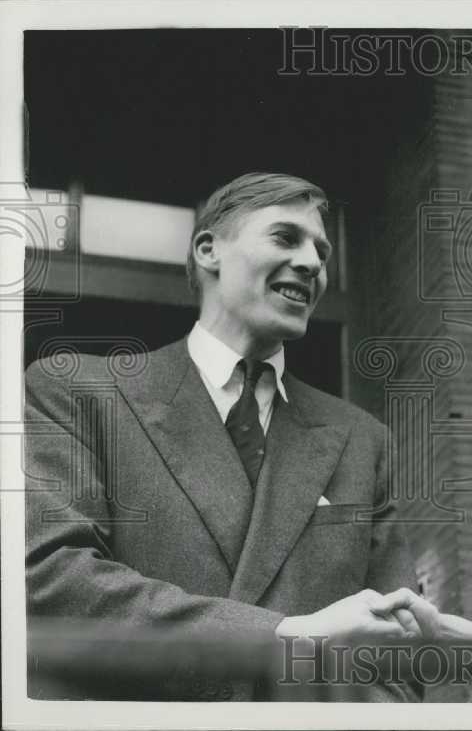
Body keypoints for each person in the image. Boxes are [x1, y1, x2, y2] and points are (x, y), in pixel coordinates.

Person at [24, 172, 423, 701]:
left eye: (322, 252)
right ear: (208, 250)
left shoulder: (361, 440)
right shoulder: (76, 391)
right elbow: (51, 581)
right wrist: (285, 638)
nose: (312, 263)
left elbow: (401, 654)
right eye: (286, 238)